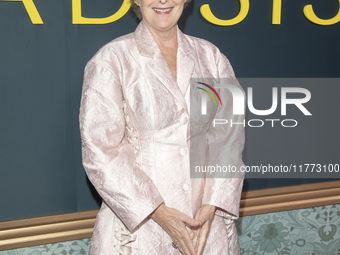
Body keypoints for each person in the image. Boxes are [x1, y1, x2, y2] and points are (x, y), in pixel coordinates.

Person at [79, 0, 245, 254]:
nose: (163, 0)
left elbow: (229, 136)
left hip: (205, 226)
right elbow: (101, 151)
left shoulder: (210, 56)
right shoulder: (111, 59)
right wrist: (159, 213)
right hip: (139, 227)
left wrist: (212, 204)